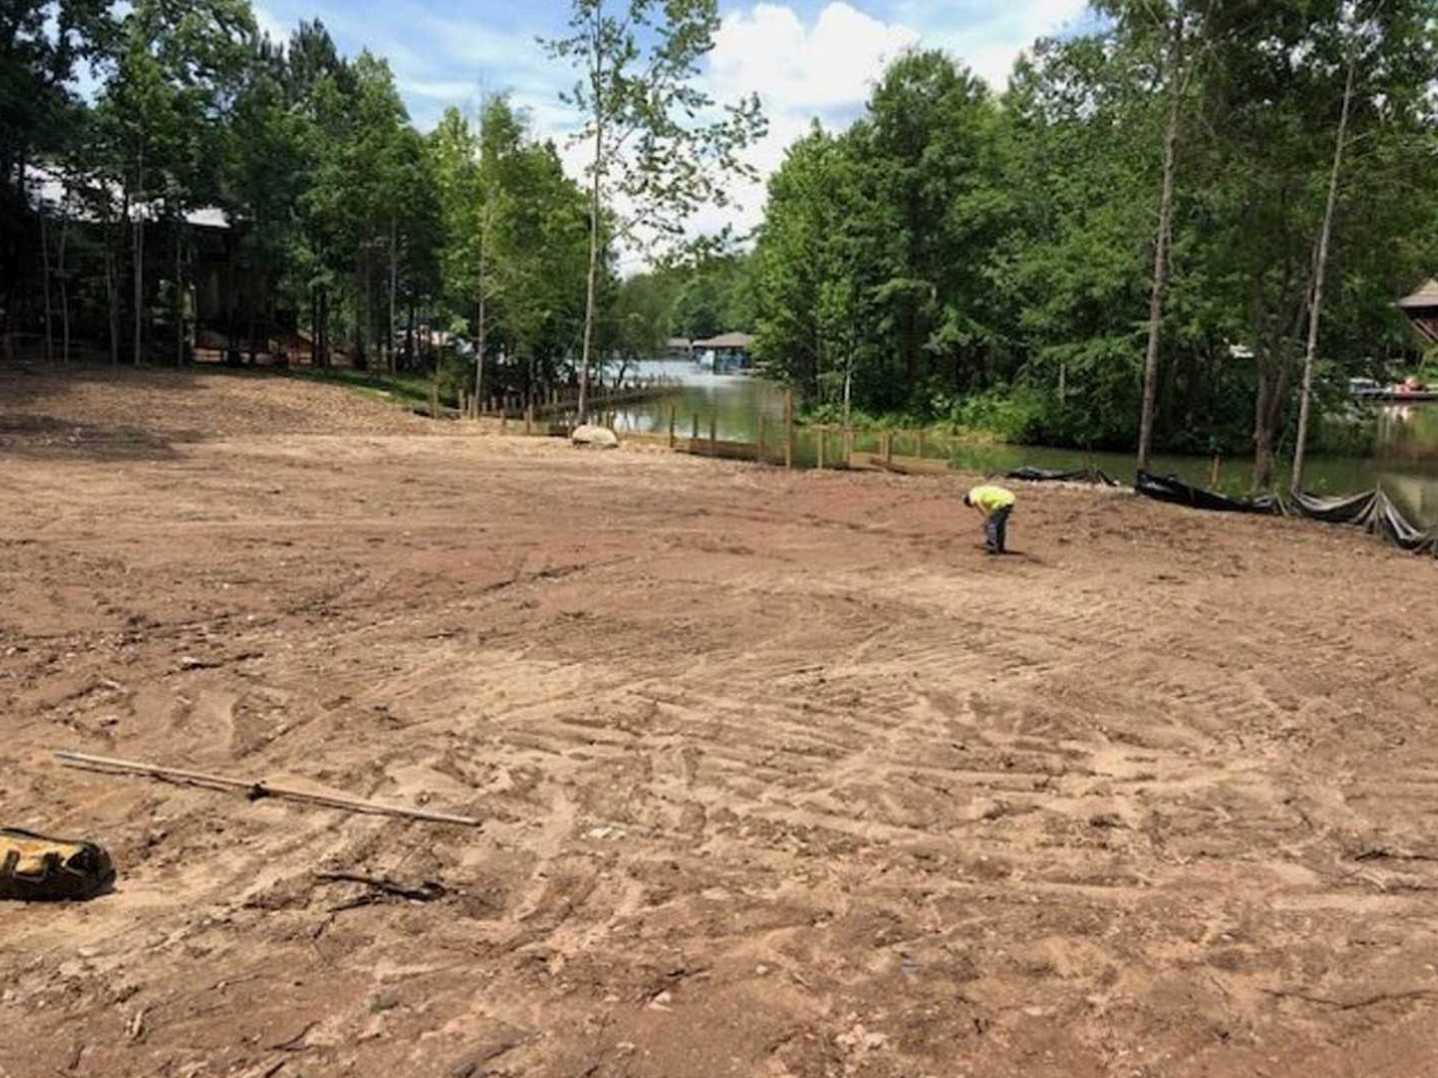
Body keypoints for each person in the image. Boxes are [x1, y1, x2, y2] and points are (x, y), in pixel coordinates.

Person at [964, 484, 1016, 555]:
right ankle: (1000, 547)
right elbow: (991, 512)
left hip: (1002, 502)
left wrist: (987, 519)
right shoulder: (980, 492)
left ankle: (992, 546)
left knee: (990, 525)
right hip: (1008, 499)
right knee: (1000, 526)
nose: (974, 506)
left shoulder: (973, 494)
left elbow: (978, 505)